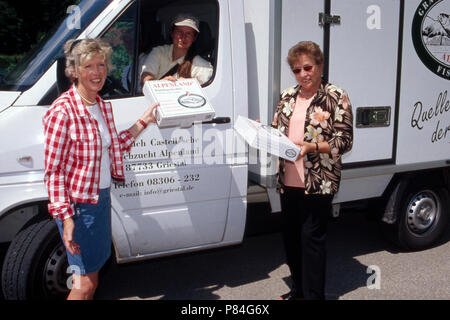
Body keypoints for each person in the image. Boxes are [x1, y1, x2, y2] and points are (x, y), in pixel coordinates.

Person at [43, 38, 159, 300]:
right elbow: (54, 171)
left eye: (101, 65)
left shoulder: (101, 106)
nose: (97, 73)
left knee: (91, 279)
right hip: (79, 207)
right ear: (74, 71)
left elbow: (113, 145)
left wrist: (144, 121)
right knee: (83, 284)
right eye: (88, 67)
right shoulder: (62, 111)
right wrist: (67, 217)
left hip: (99, 201)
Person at [271, 41, 353, 300]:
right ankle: (298, 290)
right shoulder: (287, 96)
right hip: (288, 179)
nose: (303, 74)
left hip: (319, 181)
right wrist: (263, 135)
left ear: (320, 66)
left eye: (308, 67)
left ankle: (314, 296)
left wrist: (313, 146)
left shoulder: (335, 95)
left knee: (311, 240)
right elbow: (277, 130)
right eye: (297, 70)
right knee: (292, 239)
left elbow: (345, 140)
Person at [140, 13, 213, 85]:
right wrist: (160, 84)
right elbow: (146, 76)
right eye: (179, 32)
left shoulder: (202, 66)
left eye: (188, 33)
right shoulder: (159, 52)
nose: (183, 37)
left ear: (194, 38)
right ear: (172, 33)